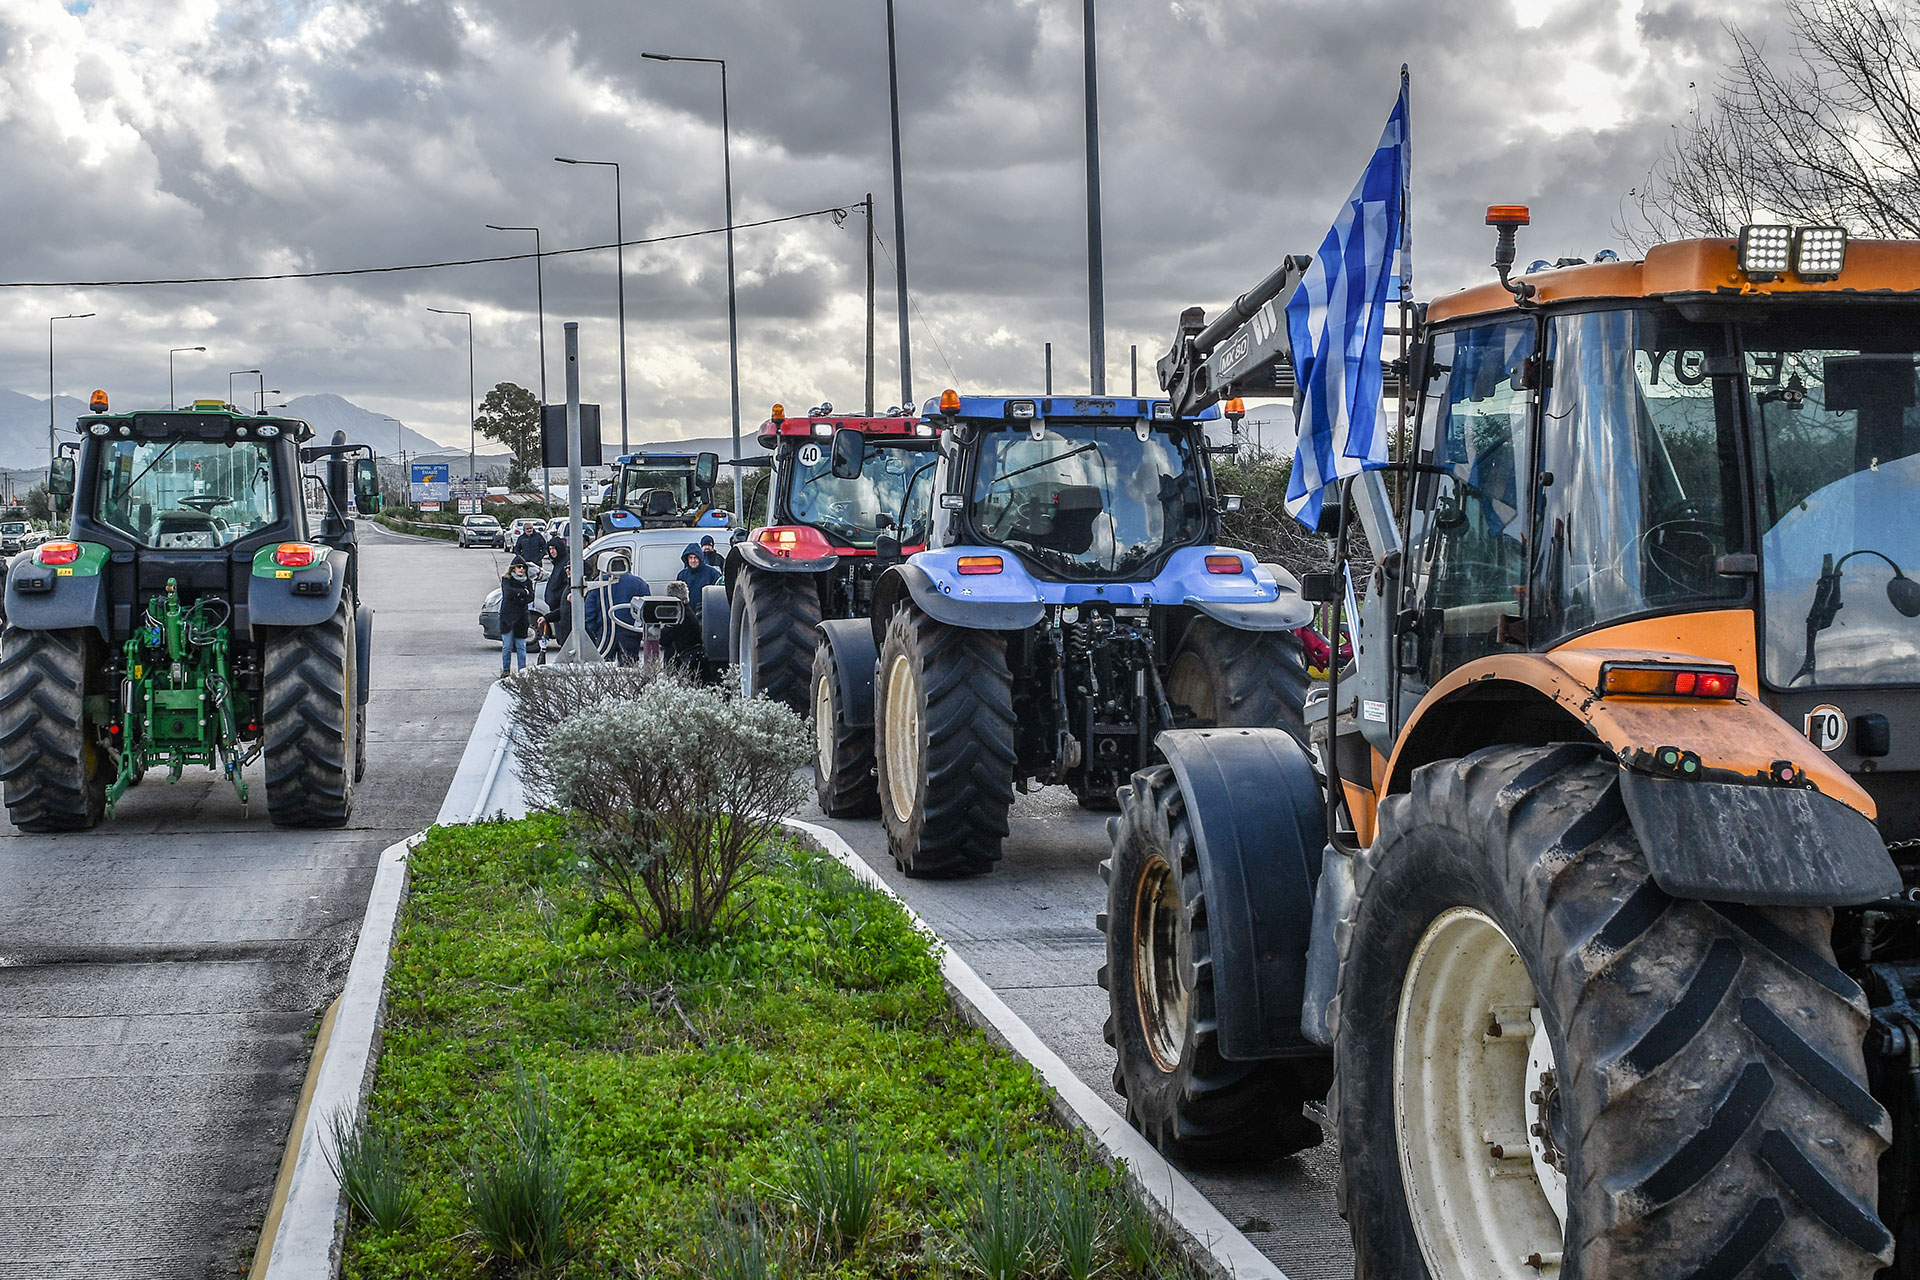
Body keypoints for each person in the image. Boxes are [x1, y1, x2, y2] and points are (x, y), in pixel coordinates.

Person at [582, 553, 651, 663]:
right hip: (630, 632)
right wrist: (638, 630)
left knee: (601, 670)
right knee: (629, 670)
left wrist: (595, 629)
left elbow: (589, 610)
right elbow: (646, 611)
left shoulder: (599, 582)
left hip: (605, 631)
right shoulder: (639, 583)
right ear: (629, 564)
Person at [498, 558, 537, 676]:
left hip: (522, 618)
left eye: (523, 567)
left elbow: (531, 597)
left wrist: (521, 595)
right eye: (519, 567)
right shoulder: (507, 579)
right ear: (513, 568)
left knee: (521, 647)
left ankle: (522, 671)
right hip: (508, 617)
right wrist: (522, 593)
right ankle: (506, 670)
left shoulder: (528, 582)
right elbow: (508, 593)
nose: (521, 569)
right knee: (507, 646)